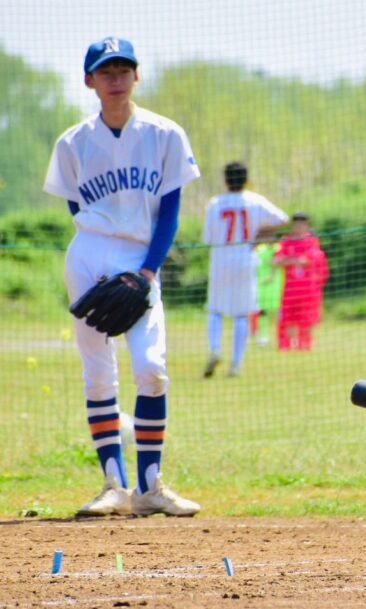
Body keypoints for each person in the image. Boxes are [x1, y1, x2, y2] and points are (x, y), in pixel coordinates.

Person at [43, 37, 201, 516]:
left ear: (136, 76)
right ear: (90, 80)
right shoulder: (71, 143)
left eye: (123, 69)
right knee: (98, 374)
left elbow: (170, 213)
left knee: (151, 368)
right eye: (104, 71)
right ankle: (115, 486)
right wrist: (99, 247)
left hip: (140, 256)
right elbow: (77, 207)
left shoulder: (165, 134)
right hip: (89, 253)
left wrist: (148, 270)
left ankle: (152, 487)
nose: (115, 79)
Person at [202, 162, 289, 377]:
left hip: (221, 258)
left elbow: (208, 238)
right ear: (246, 179)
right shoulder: (254, 200)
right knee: (242, 313)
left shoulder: (215, 203)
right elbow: (283, 219)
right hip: (245, 257)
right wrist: (257, 233)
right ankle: (236, 363)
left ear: (225, 180)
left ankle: (215, 349)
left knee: (215, 309)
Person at [274, 213, 329, 351]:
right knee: (288, 317)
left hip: (308, 289)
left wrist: (290, 260)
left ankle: (305, 344)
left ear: (307, 226)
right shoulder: (286, 241)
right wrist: (293, 260)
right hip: (290, 288)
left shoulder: (311, 241)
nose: (298, 227)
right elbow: (276, 261)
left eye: (302, 224)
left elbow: (308, 260)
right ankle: (288, 344)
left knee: (307, 318)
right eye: (296, 224)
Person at [252, 228, 284, 346]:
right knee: (262, 311)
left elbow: (278, 261)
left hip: (276, 283)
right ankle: (263, 335)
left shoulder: (279, 248)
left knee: (278, 311)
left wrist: (272, 275)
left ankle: (282, 337)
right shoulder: (260, 249)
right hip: (262, 283)